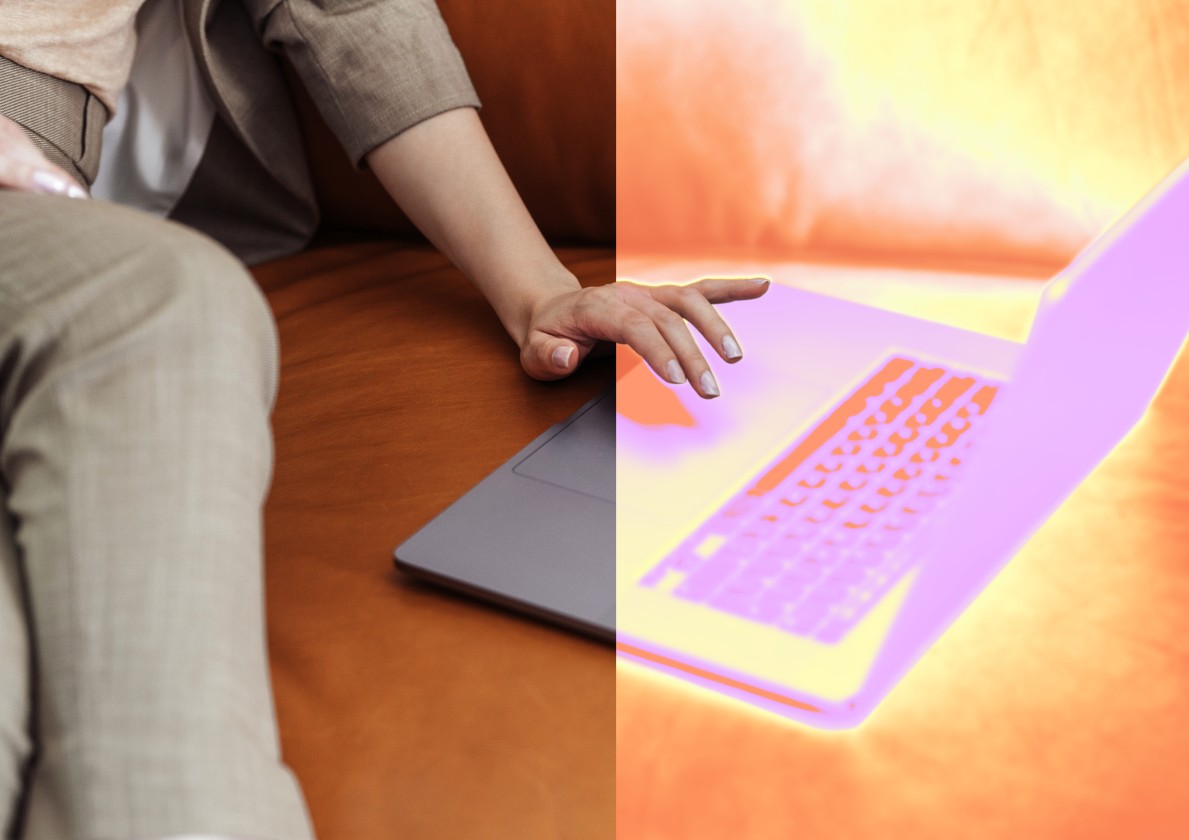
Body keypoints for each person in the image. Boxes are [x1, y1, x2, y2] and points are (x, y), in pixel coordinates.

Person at [0, 1, 767, 838]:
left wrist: (539, 290)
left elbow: (354, 12)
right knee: (163, 304)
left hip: (72, 228)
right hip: (71, 236)